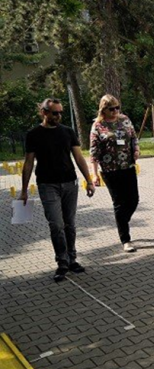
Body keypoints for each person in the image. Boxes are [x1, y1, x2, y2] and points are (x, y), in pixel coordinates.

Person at [20, 98, 95, 282]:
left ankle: (72, 259)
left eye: (61, 112)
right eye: (55, 113)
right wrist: (23, 190)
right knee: (56, 224)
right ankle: (62, 262)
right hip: (47, 185)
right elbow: (28, 162)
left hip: (70, 183)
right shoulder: (34, 134)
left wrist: (89, 180)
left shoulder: (68, 132)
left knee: (70, 224)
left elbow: (78, 158)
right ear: (44, 112)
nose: (59, 116)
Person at [89, 95, 140, 253]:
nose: (116, 111)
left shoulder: (124, 119)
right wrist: (95, 174)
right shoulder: (98, 126)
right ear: (103, 109)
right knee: (119, 204)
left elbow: (133, 137)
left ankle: (122, 222)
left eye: (117, 107)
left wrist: (136, 149)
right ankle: (125, 239)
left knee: (133, 200)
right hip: (110, 170)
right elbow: (93, 152)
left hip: (128, 166)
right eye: (112, 109)